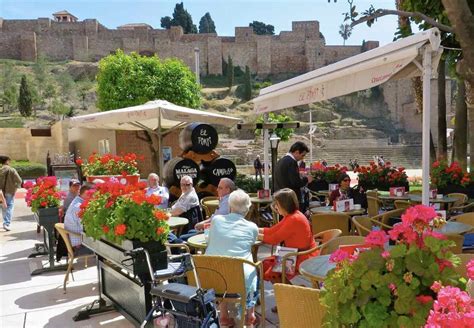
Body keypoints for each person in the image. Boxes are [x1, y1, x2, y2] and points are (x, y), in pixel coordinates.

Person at [205, 189, 259, 327]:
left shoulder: (216, 221)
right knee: (252, 267)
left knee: (222, 260)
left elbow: (210, 241)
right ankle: (249, 315)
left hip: (213, 278)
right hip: (239, 279)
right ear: (248, 209)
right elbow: (251, 244)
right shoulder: (252, 227)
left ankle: (223, 316)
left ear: (229, 206)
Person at [258, 188, 318, 284]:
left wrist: (253, 234)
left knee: (264, 267)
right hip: (297, 253)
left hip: (300, 256)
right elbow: (272, 230)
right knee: (266, 266)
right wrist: (254, 229)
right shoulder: (292, 215)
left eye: (277, 204)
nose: (275, 207)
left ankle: (288, 292)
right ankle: (288, 291)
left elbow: (273, 239)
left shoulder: (293, 219)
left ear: (283, 205)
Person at [273, 141, 313, 212]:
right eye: (302, 155)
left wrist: (299, 175)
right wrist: (306, 179)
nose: (302, 158)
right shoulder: (292, 162)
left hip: (281, 198)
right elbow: (296, 182)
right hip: (289, 200)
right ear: (297, 152)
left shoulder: (281, 161)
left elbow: (287, 178)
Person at [64, 184, 94, 252]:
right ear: (85, 194)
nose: (93, 196)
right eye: (91, 194)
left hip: (73, 241)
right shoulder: (79, 206)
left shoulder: (77, 200)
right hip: (79, 245)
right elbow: (86, 228)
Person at [0, 155, 22, 231]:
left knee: (3, 206)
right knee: (9, 206)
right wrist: (15, 188)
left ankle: (5, 222)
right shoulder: (12, 170)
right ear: (6, 161)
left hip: (0, 192)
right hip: (10, 191)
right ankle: (6, 223)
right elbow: (19, 181)